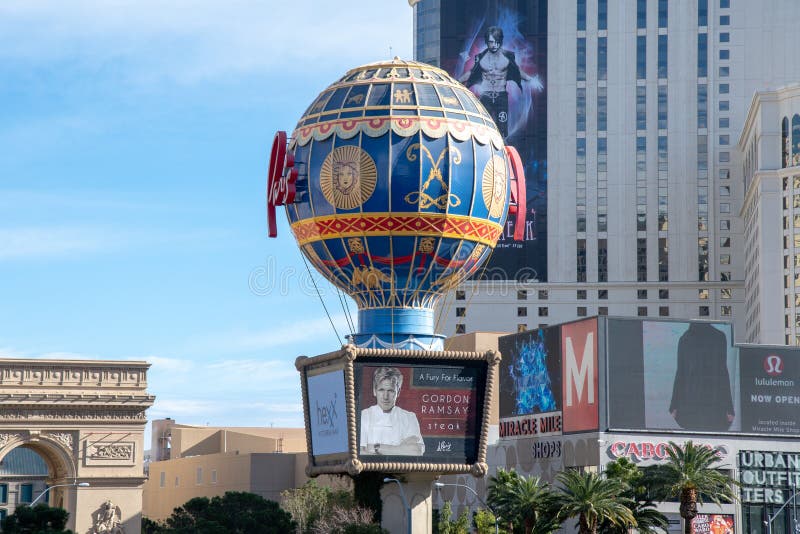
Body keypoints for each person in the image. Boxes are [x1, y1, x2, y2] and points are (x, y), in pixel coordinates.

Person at [460, 26, 543, 138]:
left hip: (501, 97)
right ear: (487, 42)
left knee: (502, 128)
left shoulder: (507, 57)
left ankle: (501, 151)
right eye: (491, 42)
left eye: (496, 42)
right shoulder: (481, 58)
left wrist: (531, 79)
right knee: (484, 127)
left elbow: (517, 71)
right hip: (485, 97)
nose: (493, 45)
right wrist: (457, 81)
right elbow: (471, 72)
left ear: (500, 41)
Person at [669, 323, 735, 431]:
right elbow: (723, 372)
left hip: (694, 403)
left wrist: (674, 405)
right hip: (710, 402)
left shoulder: (685, 339)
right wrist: (729, 407)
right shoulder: (718, 336)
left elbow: (681, 373)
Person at [360, 367, 425, 456]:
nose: (385, 396)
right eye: (381, 390)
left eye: (390, 391)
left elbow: (417, 451)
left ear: (398, 392)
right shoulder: (363, 416)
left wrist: (376, 447)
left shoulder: (409, 417)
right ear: (374, 391)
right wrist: (400, 449)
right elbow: (359, 453)